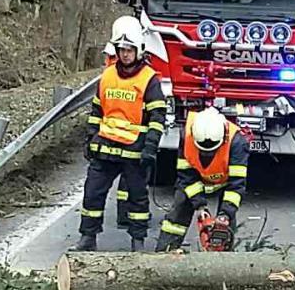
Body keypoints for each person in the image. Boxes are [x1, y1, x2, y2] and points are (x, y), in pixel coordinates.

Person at [76, 16, 166, 252]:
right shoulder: (107, 76)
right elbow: (97, 111)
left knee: (137, 200)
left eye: (129, 50)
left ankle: (137, 242)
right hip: (104, 149)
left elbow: (157, 117)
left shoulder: (149, 79)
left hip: (134, 152)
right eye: (121, 50)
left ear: (139, 50)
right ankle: (87, 238)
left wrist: (150, 148)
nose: (125, 54)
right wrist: (90, 138)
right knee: (92, 194)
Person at [155, 108, 250, 251]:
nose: (207, 154)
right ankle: (164, 251)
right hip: (194, 179)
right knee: (178, 215)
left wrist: (225, 214)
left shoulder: (237, 142)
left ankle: (224, 257)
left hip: (225, 182)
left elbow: (236, 185)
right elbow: (186, 176)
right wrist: (200, 206)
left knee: (224, 226)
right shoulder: (186, 136)